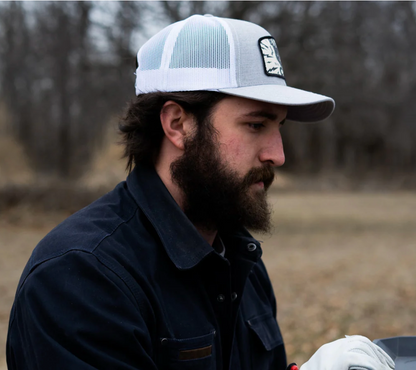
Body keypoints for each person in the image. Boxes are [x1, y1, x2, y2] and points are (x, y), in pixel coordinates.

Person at [7, 14, 394, 370]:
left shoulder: (239, 261)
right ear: (177, 124)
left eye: (279, 128)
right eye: (256, 125)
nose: (278, 155)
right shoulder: (81, 279)